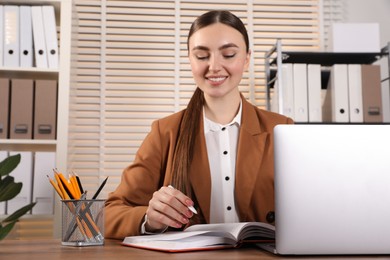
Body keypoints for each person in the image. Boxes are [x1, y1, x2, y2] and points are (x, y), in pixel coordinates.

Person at [104, 10, 293, 239]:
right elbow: (109, 213)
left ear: (246, 59)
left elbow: (313, 206)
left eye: (229, 54)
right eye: (202, 56)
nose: (214, 66)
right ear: (190, 60)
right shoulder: (165, 132)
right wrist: (149, 219)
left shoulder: (282, 130)